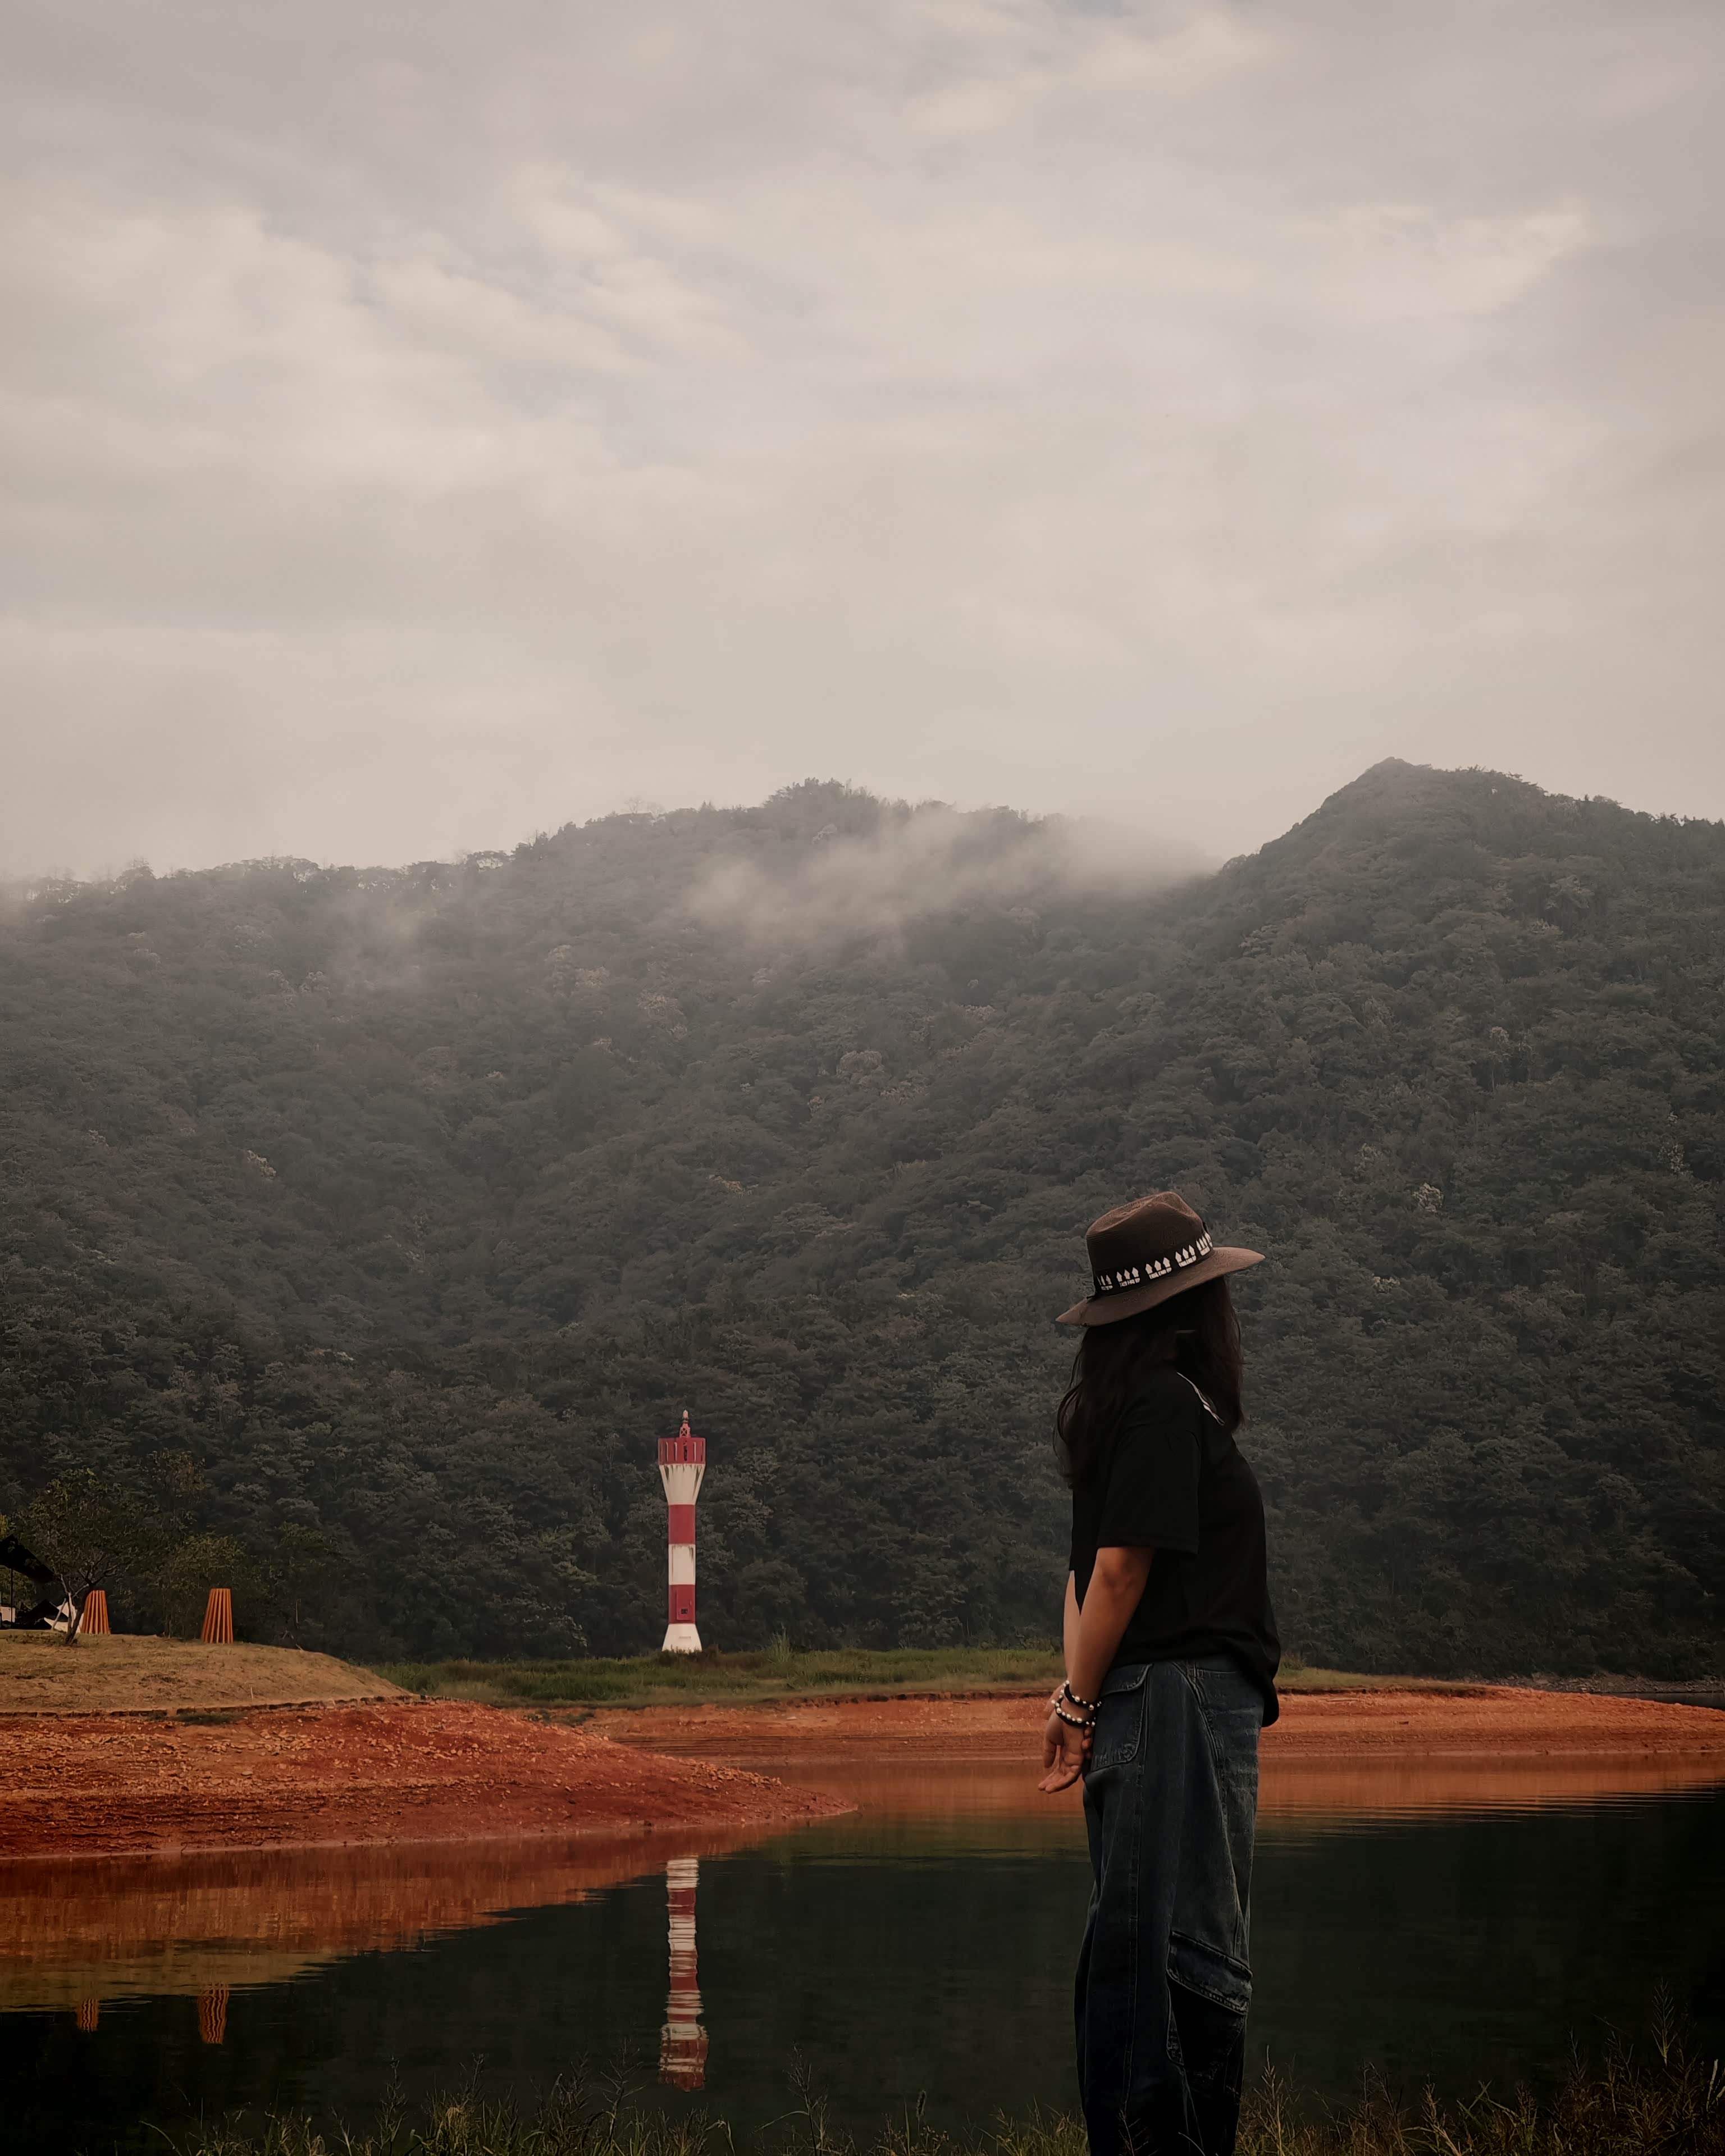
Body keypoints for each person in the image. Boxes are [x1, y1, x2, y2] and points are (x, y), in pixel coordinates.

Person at [1039, 1190, 1279, 2156]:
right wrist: (1076, 1703)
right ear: (1190, 1305)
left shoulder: (1116, 1410)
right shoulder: (1168, 1407)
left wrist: (1080, 1699)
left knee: (1140, 1943)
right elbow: (1117, 1571)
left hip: (1149, 1700)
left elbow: (1083, 1577)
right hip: (1179, 1698)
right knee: (1186, 1956)